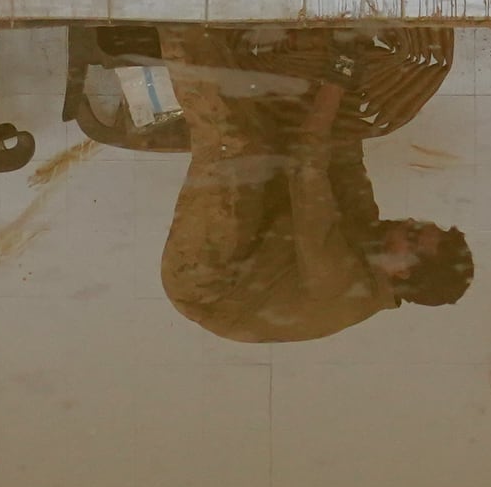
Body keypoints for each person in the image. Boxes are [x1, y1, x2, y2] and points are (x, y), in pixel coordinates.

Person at [154, 25, 474, 341]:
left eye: (413, 234)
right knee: (267, 134)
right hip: (259, 245)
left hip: (206, 281)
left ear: (403, 270)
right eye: (419, 224)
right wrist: (347, 74)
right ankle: (213, 29)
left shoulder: (340, 285)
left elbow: (307, 172)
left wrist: (339, 72)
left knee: (235, 145)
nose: (408, 222)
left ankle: (178, 13)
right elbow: (343, 155)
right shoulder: (369, 237)